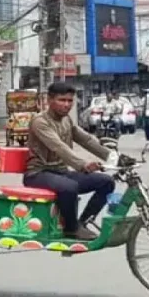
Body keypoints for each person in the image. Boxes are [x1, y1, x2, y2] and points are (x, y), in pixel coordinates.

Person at [25, 82, 117, 241]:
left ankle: (82, 223)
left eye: (70, 101)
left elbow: (86, 140)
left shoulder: (67, 120)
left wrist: (113, 157)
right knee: (69, 187)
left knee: (107, 182)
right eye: (62, 100)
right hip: (38, 174)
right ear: (49, 100)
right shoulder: (40, 122)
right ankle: (71, 229)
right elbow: (58, 147)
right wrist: (83, 164)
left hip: (61, 172)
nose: (66, 104)